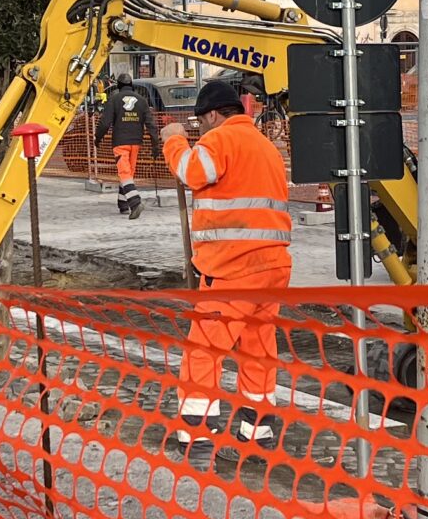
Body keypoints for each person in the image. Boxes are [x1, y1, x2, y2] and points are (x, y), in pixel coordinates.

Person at [159, 78, 292, 425]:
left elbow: (191, 172)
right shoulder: (265, 147)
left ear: (213, 115)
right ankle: (257, 429)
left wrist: (174, 139)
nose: (200, 130)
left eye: (200, 122)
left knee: (204, 349)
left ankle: (198, 433)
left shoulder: (221, 138)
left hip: (233, 268)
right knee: (258, 348)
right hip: (273, 266)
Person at [99, 76, 156, 219]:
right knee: (128, 174)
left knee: (124, 172)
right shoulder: (142, 101)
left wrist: (97, 138)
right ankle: (123, 203)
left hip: (120, 142)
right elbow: (151, 124)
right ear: (131, 84)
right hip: (136, 142)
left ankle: (135, 202)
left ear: (118, 85)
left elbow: (105, 123)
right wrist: (155, 144)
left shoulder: (114, 99)